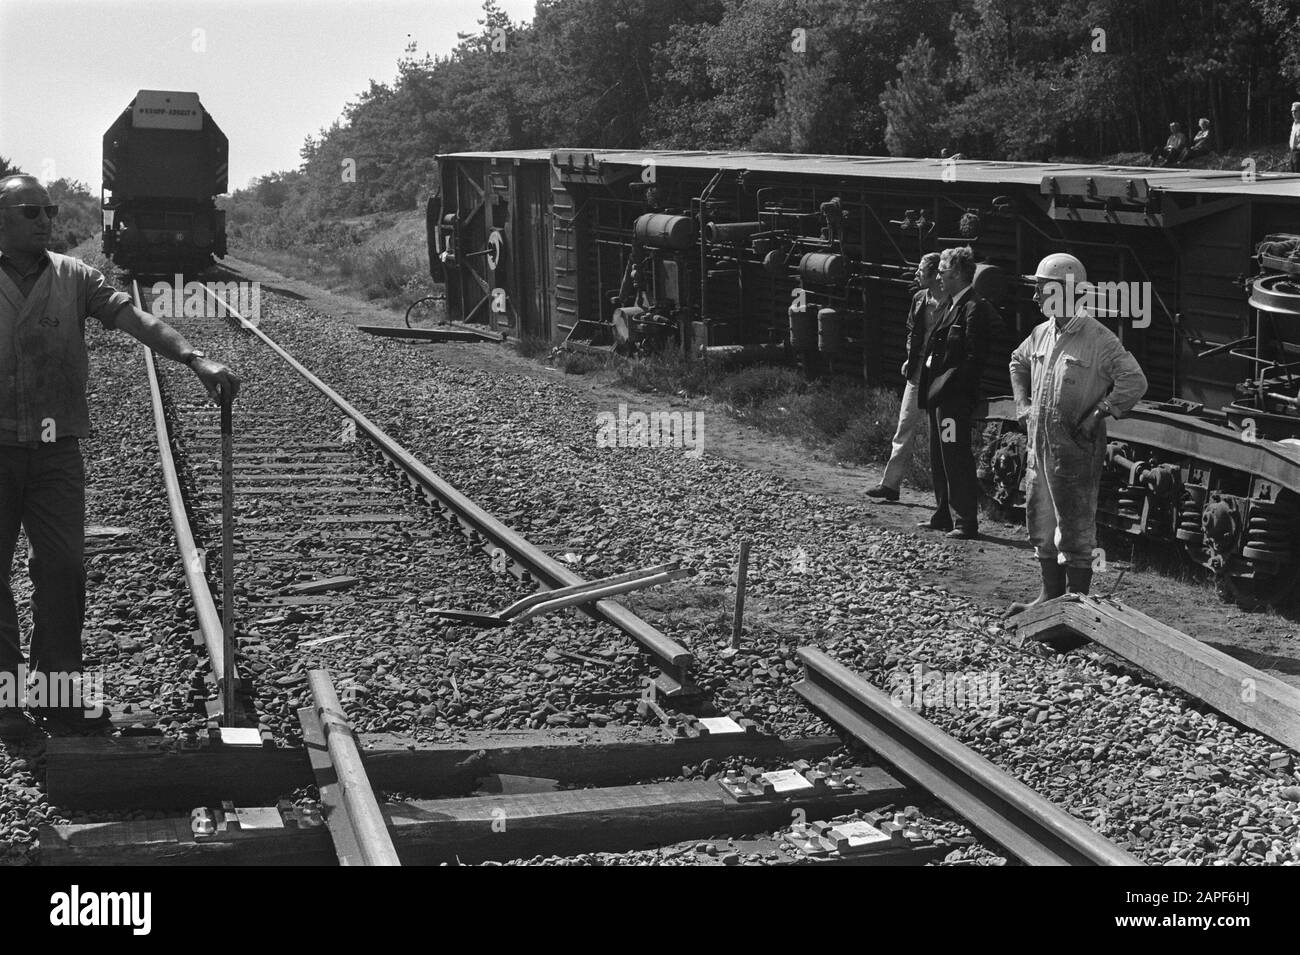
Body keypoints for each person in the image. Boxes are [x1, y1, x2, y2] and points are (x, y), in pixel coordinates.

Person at [0, 174, 241, 734]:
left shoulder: (74, 277)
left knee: (62, 569)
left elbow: (137, 318)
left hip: (55, 450)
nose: (45, 220)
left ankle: (57, 690)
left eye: (49, 210)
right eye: (32, 211)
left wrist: (196, 358)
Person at [1006, 253, 1148, 614]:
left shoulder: (1098, 339)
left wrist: (1100, 412)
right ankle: (1048, 599)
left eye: (1041, 289)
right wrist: (1022, 406)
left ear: (1061, 290)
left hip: (1076, 451)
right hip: (1041, 447)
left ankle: (1074, 609)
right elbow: (1018, 362)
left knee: (1075, 528)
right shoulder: (1041, 333)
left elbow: (1134, 381)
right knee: (1040, 522)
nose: (1036, 297)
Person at [916, 246, 991, 539]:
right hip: (941, 397)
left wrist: (949, 386)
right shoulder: (952, 304)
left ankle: (965, 521)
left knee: (955, 456)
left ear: (958, 273)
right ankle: (942, 514)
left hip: (954, 398)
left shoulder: (973, 307)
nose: (939, 277)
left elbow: (973, 357)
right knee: (940, 455)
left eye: (943, 272)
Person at [867, 253, 947, 501]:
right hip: (918, 370)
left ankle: (946, 496)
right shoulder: (919, 299)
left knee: (943, 432)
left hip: (942, 372)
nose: (916, 274)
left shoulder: (953, 302)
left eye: (920, 270)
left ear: (935, 274)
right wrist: (910, 357)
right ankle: (890, 485)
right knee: (905, 425)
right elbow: (913, 332)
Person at [1289, 102, 1300, 174]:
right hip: (1293, 153)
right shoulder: (1294, 123)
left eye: (1295, 111)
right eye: (1292, 111)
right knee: (1292, 178)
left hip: (1299, 154)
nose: (1293, 113)